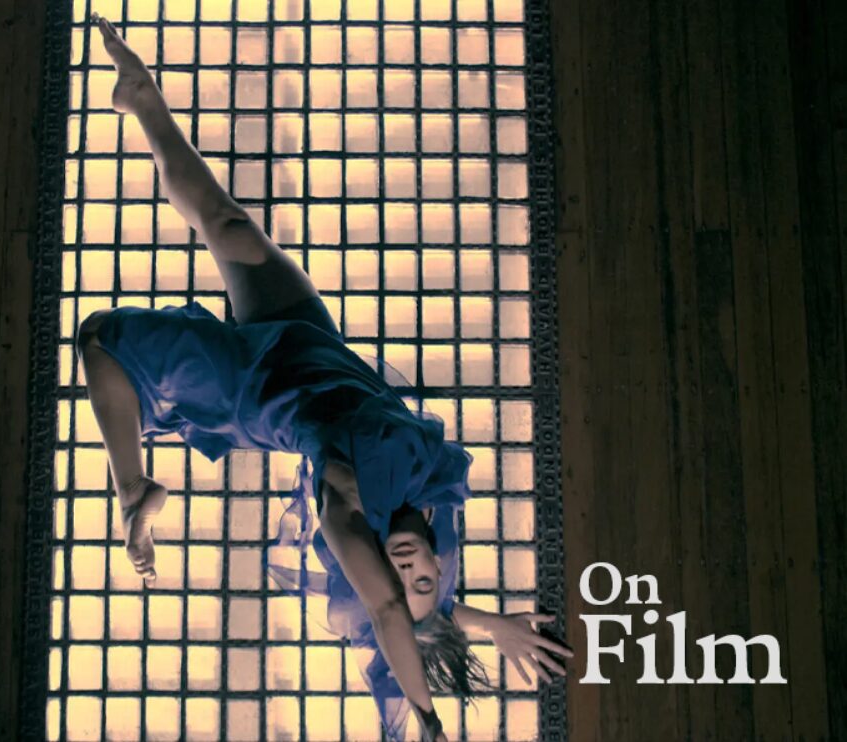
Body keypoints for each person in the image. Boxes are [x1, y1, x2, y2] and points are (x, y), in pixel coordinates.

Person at [76, 15, 573, 741]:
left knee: (101, 341)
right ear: (440, 560)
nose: (407, 570)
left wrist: (427, 722)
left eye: (396, 576)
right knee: (228, 224)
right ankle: (143, 98)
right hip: (313, 347)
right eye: (424, 574)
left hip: (260, 388)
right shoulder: (436, 495)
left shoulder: (347, 506)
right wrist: (493, 624)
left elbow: (389, 610)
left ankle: (133, 484)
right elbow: (427, 609)